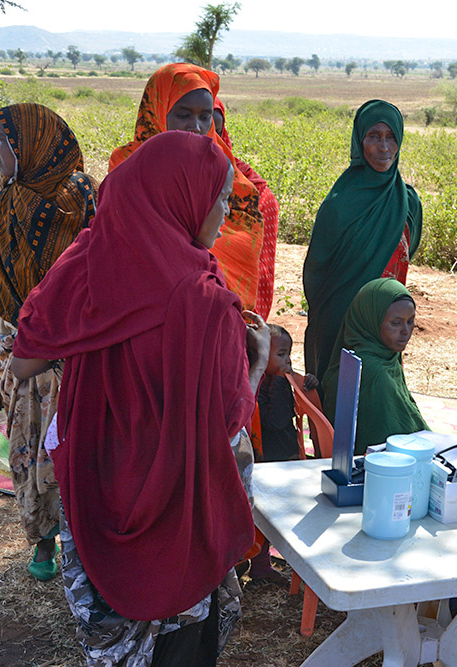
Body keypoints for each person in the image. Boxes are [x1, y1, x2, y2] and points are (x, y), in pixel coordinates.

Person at [9, 131, 269, 665]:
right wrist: (259, 362)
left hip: (96, 487)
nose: (224, 210)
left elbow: (24, 359)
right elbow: (224, 428)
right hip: (172, 505)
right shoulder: (204, 301)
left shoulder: (90, 259)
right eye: (218, 196)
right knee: (178, 643)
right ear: (181, 196)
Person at [0, 103, 98, 580]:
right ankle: (42, 539)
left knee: (73, 447)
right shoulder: (2, 204)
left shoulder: (80, 197)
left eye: (2, 141)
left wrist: (59, 332)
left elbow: (94, 268)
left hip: (75, 348)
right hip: (19, 345)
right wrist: (23, 336)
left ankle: (83, 538)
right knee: (28, 444)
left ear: (31, 143)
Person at [109, 63, 270, 315]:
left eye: (205, 117)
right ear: (158, 110)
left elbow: (241, 239)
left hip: (213, 307)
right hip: (145, 304)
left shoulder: (224, 173)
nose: (195, 126)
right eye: (183, 115)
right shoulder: (126, 164)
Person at [303, 99, 423, 383]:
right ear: (360, 141)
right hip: (340, 322)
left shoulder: (408, 202)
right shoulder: (339, 204)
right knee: (339, 401)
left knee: (381, 399)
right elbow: (317, 272)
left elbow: (405, 255)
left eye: (391, 137)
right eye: (374, 137)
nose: (384, 147)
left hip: (388, 326)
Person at [322, 277, 428, 455]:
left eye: (410, 321)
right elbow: (396, 440)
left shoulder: (382, 354)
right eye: (395, 323)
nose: (406, 331)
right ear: (370, 319)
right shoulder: (373, 371)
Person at [213, 97, 280, 314]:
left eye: (216, 129)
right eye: (185, 118)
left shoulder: (251, 190)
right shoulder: (139, 177)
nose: (206, 137)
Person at [254, 323, 319, 463]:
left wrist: (308, 382)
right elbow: (276, 421)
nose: (288, 360)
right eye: (281, 354)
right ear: (261, 355)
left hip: (289, 450)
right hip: (271, 459)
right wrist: (278, 381)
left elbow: (298, 398)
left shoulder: (282, 379)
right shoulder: (256, 388)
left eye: (288, 354)